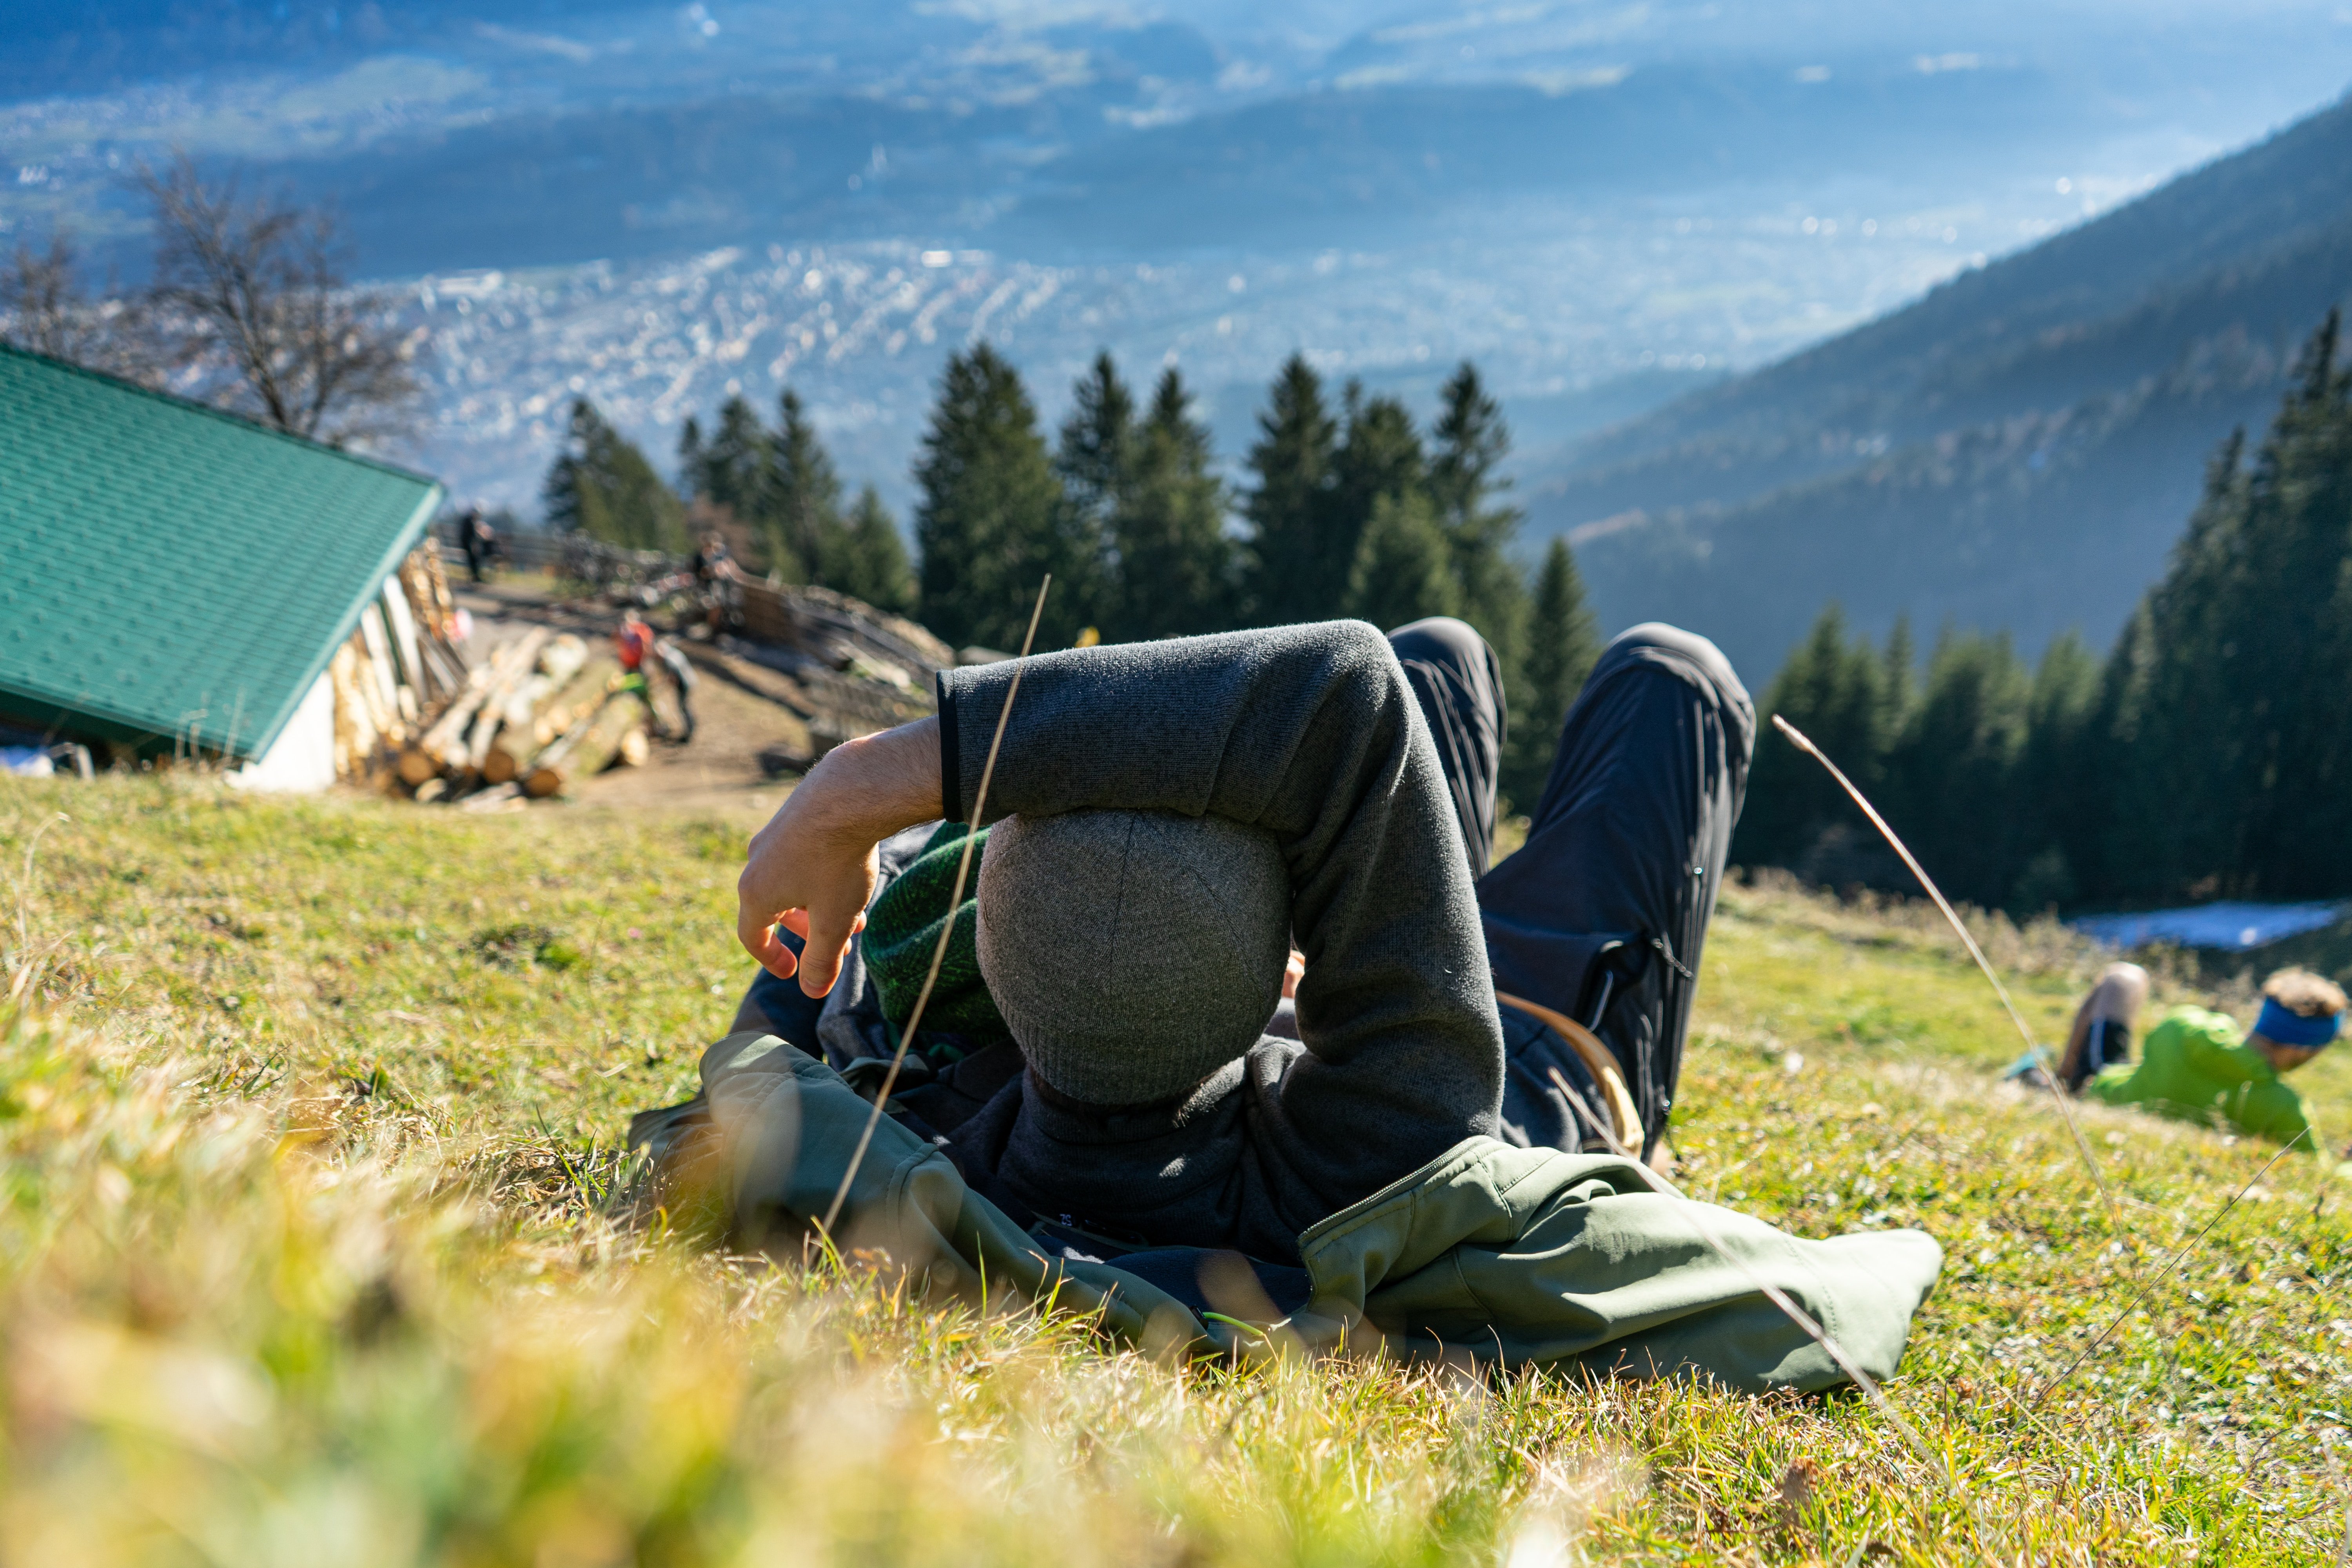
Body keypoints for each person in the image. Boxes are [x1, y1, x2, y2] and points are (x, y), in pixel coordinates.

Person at [726, 616, 1751, 1263]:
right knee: (1672, 671)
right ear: (1281, 960)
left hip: (1383, 1017)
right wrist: (868, 782)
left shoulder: (913, 1103)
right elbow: (1344, 692)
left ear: (992, 954)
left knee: (1435, 654)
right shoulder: (1378, 1145)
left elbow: (790, 999)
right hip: (1545, 1036)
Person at [2080, 965, 2347, 1151]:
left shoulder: (2184, 1023)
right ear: (2302, 1049)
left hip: (2098, 1087)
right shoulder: (2287, 1109)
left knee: (2123, 978)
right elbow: (2317, 1168)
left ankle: (2064, 1078)